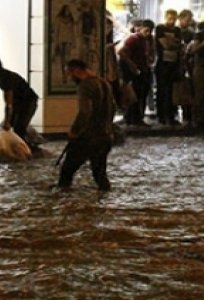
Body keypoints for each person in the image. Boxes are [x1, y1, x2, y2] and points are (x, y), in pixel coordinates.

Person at [57, 59, 116, 191]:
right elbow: (113, 108)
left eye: (69, 74)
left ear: (77, 71)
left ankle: (63, 203)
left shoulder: (85, 86)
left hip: (88, 137)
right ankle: (103, 203)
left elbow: (85, 111)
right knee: (100, 176)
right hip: (105, 136)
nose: (69, 78)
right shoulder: (104, 83)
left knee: (66, 172)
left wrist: (75, 130)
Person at [0, 55, 40, 152]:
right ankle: (22, 147)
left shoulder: (5, 78)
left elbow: (8, 103)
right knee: (11, 127)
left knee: (19, 129)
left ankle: (28, 150)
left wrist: (7, 121)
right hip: (20, 102)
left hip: (28, 102)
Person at [118, 19, 155, 126]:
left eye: (150, 31)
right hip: (135, 71)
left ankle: (138, 117)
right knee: (135, 95)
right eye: (146, 30)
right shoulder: (133, 39)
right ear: (141, 28)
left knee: (143, 94)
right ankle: (132, 118)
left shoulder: (149, 39)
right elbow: (121, 52)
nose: (148, 33)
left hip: (145, 69)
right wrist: (131, 65)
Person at [154, 9, 183, 125]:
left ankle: (171, 115)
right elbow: (166, 45)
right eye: (170, 18)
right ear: (165, 17)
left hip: (174, 64)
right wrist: (173, 43)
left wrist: (172, 43)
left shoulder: (177, 30)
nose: (172, 21)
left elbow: (179, 44)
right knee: (162, 90)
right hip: (163, 64)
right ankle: (161, 115)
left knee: (172, 91)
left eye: (174, 19)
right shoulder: (160, 28)